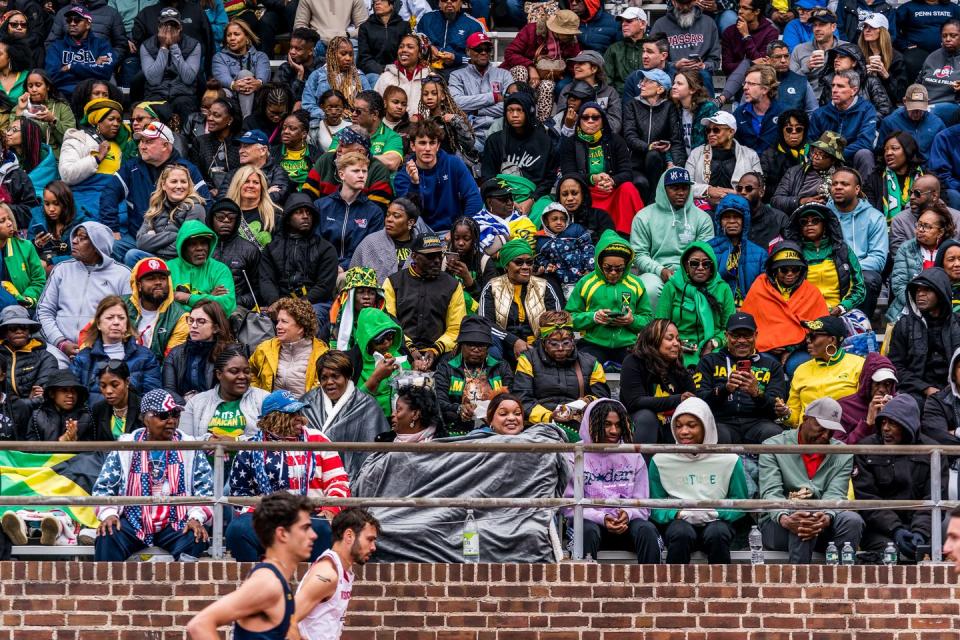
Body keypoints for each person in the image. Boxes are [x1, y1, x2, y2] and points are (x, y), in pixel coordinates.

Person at [225, 389, 349, 562]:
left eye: (299, 412)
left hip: (312, 515)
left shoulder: (318, 439)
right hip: (266, 517)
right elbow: (240, 495)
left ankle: (310, 583)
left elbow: (338, 482)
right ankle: (259, 581)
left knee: (323, 530)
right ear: (273, 419)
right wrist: (262, 513)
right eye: (292, 413)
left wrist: (330, 510)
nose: (300, 418)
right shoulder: (249, 448)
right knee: (237, 530)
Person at [92, 388, 212, 561]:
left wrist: (196, 518)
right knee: (107, 535)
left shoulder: (190, 447)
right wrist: (109, 514)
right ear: (145, 419)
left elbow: (205, 490)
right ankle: (109, 588)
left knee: (195, 537)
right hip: (134, 520)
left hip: (176, 521)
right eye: (163, 416)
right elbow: (104, 487)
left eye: (175, 414)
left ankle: (176, 586)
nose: (171, 421)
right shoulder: (126, 447)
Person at [186, 493, 317, 639]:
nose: (313, 535)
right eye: (305, 528)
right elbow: (200, 624)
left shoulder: (278, 580)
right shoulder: (267, 583)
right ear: (282, 534)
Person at [758, 396, 864, 564]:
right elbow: (771, 493)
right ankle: (799, 586)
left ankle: (841, 584)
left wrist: (827, 516)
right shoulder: (773, 446)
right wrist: (785, 518)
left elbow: (836, 494)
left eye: (831, 431)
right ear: (805, 419)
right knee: (803, 518)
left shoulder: (843, 452)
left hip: (821, 523)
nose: (825, 435)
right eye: (821, 428)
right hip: (778, 524)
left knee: (852, 521)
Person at [649, 396, 748, 563]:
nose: (683, 432)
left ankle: (720, 588)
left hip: (717, 521)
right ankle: (676, 588)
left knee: (717, 533)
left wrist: (715, 513)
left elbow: (740, 503)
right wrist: (679, 513)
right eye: (678, 426)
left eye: (691, 425)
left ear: (706, 427)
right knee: (681, 533)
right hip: (678, 522)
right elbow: (653, 505)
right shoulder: (660, 460)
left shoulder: (730, 460)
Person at [564, 398, 661, 564]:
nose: (614, 430)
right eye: (606, 424)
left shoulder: (633, 455)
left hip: (626, 523)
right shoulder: (575, 455)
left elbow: (643, 505)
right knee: (586, 531)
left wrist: (628, 514)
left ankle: (651, 588)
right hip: (590, 523)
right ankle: (584, 588)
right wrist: (602, 517)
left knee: (647, 530)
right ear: (591, 424)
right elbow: (569, 506)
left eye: (618, 425)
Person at [100, 121, 211, 263]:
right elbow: (109, 194)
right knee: (111, 246)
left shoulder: (186, 170)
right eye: (141, 141)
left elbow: (206, 204)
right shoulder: (132, 167)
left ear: (165, 145)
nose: (141, 146)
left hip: (174, 249)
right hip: (138, 238)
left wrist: (162, 243)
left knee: (133, 256)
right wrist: (112, 229)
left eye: (148, 142)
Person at [853, 393, 945, 563]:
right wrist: (895, 529)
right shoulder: (866, 448)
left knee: (931, 556)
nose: (885, 428)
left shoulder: (933, 451)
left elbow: (935, 498)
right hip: (880, 529)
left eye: (893, 423)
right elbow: (867, 499)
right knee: (889, 553)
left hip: (922, 527)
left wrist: (920, 532)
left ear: (908, 426)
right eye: (883, 422)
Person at [37, 222, 131, 366]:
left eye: (82, 238)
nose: (74, 241)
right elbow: (43, 311)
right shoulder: (62, 270)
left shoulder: (123, 275)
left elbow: (130, 318)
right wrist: (60, 342)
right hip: (58, 350)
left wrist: (96, 346)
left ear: (97, 245)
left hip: (102, 351)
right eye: (75, 236)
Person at [695, 311, 788, 445]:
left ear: (756, 335)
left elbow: (776, 407)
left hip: (759, 423)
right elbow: (699, 400)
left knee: (774, 434)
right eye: (735, 335)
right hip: (721, 422)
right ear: (726, 336)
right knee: (717, 434)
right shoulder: (709, 361)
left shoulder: (772, 365)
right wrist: (724, 390)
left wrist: (757, 393)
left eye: (747, 335)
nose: (742, 341)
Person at [630, 168, 715, 309]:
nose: (681, 192)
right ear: (663, 189)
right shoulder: (644, 216)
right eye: (674, 188)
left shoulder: (702, 218)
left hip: (693, 271)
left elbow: (705, 253)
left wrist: (686, 273)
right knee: (648, 288)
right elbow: (638, 254)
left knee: (714, 287)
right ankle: (655, 330)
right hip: (655, 272)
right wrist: (660, 270)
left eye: (685, 187)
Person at [566, 229, 653, 366]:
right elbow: (569, 317)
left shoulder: (636, 284)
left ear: (627, 265)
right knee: (585, 367)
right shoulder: (586, 283)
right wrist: (593, 317)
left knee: (641, 366)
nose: (613, 273)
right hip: (593, 343)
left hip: (628, 344)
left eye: (619, 269)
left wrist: (632, 320)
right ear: (599, 264)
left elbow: (648, 320)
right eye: (608, 268)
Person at [292, 508, 380, 640]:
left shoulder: (341, 570)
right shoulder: (327, 574)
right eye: (369, 539)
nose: (373, 547)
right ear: (349, 536)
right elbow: (287, 620)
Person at [741, 242, 829, 373]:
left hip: (801, 349)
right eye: (784, 269)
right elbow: (746, 325)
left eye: (795, 269)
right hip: (764, 349)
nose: (790, 274)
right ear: (774, 270)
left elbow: (822, 329)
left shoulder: (812, 292)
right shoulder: (759, 288)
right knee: (763, 369)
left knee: (800, 368)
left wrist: (791, 349)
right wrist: (769, 346)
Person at [384, 233, 466, 371]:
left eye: (439, 255)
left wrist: (435, 350)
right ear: (414, 256)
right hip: (400, 348)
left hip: (441, 352)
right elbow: (389, 323)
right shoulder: (393, 282)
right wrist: (410, 348)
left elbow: (455, 328)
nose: (437, 261)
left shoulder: (452, 285)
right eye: (429, 256)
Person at [301, 351, 389, 478]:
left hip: (352, 479)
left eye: (335, 376)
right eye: (324, 378)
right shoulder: (307, 402)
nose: (329, 382)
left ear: (347, 376)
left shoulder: (367, 405)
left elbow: (375, 456)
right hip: (312, 476)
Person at [558, 101, 641, 234]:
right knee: (573, 190)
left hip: (611, 190)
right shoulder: (570, 143)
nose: (590, 121)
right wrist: (593, 178)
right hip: (586, 191)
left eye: (595, 117)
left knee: (628, 187)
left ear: (602, 120)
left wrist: (612, 181)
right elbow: (569, 175)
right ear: (579, 121)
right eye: (585, 117)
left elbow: (627, 172)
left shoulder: (616, 140)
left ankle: (628, 233)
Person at [513, 310, 609, 425]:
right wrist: (550, 417)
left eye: (566, 343)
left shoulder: (591, 363)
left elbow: (602, 396)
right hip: (540, 424)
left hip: (578, 421)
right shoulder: (528, 360)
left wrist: (586, 401)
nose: (560, 348)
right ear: (543, 342)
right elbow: (522, 399)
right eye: (553, 344)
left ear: (573, 341)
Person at [69, 295, 162, 406]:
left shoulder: (145, 357)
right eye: (110, 318)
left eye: (121, 318)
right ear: (98, 324)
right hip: (92, 421)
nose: (116, 322)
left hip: (134, 421)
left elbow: (151, 399)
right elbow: (73, 398)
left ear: (127, 324)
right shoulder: (83, 358)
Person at [393, 120, 482, 233]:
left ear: (438, 145)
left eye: (432, 143)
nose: (428, 148)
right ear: (413, 145)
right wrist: (414, 184)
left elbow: (474, 198)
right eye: (422, 143)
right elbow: (409, 214)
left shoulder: (453, 164)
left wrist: (460, 229)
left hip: (453, 230)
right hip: (420, 233)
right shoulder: (404, 175)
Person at [889, 268, 960, 407]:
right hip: (914, 393)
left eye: (926, 290)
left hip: (954, 390)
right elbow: (896, 366)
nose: (920, 294)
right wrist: (925, 388)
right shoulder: (904, 325)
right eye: (917, 290)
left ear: (940, 293)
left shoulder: (958, 324)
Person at [478, 239, 561, 357]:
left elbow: (556, 322)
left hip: (539, 345)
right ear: (506, 265)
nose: (526, 267)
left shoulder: (544, 286)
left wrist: (534, 347)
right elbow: (485, 323)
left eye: (529, 262)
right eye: (519, 262)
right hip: (505, 344)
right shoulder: (492, 287)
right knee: (490, 345)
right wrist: (514, 341)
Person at [781, 203, 866, 317]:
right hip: (803, 313)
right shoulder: (793, 254)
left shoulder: (843, 250)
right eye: (804, 222)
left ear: (825, 225)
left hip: (840, 313)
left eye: (815, 220)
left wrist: (842, 307)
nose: (809, 224)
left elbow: (859, 287)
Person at [620, 319, 696, 444]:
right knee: (647, 417)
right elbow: (635, 401)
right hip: (640, 423)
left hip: (672, 424)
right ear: (653, 340)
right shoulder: (633, 362)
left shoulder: (678, 368)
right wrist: (678, 399)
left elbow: (693, 398)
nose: (676, 343)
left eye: (677, 339)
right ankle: (642, 463)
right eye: (669, 338)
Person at [258, 192, 337, 313]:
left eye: (309, 212)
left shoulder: (326, 248)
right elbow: (266, 280)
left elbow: (324, 286)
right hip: (279, 303)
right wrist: (274, 301)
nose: (305, 216)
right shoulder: (271, 249)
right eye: (299, 212)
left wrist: (298, 305)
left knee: (312, 315)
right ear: (288, 219)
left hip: (314, 304)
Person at [501, 9, 581, 125]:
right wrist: (531, 67)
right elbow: (510, 53)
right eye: (566, 32)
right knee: (521, 70)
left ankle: (540, 125)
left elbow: (575, 62)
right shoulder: (532, 30)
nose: (569, 35)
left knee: (548, 86)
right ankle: (519, 107)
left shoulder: (570, 39)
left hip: (546, 78)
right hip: (523, 74)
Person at [826, 167, 888, 318]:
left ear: (857, 189)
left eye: (844, 184)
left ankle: (858, 324)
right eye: (835, 184)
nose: (838, 187)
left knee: (869, 279)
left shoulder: (874, 217)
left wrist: (848, 269)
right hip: (827, 270)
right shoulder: (822, 215)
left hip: (858, 273)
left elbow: (878, 259)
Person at [434, 316, 513, 434]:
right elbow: (438, 400)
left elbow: (513, 397)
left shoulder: (501, 367)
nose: (476, 349)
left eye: (481, 345)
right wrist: (458, 409)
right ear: (461, 345)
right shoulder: (447, 367)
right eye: (471, 344)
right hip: (455, 430)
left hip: (496, 430)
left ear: (488, 347)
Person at [785, 315, 865, 427]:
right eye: (808, 335)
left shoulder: (859, 365)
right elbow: (794, 420)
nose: (808, 341)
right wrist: (786, 414)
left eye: (813, 336)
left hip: (843, 433)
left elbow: (861, 410)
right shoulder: (801, 369)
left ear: (832, 340)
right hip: (808, 434)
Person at [622, 68, 685, 202]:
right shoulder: (632, 105)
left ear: (660, 89)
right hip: (635, 163)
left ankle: (654, 203)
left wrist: (676, 165)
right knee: (641, 183)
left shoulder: (669, 107)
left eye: (648, 81)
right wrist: (648, 146)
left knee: (653, 155)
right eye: (642, 81)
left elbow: (676, 140)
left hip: (658, 163)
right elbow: (629, 136)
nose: (642, 84)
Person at [481, 92, 557, 202]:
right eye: (510, 110)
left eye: (519, 110)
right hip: (501, 196)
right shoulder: (494, 141)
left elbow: (549, 179)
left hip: (535, 197)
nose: (515, 115)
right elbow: (488, 176)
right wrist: (505, 199)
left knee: (548, 212)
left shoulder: (544, 142)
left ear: (529, 111)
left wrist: (532, 200)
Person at [314, 152, 384, 269]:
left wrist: (344, 267)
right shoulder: (321, 206)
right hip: (323, 268)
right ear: (342, 175)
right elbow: (315, 244)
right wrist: (331, 266)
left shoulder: (374, 212)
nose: (362, 175)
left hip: (357, 270)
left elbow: (371, 250)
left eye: (364, 171)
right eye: (356, 171)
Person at [127, 164, 207, 266]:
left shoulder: (195, 208)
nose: (179, 186)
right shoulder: (156, 208)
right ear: (164, 185)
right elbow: (141, 242)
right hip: (157, 260)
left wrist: (154, 241)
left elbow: (186, 246)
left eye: (183, 182)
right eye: (174, 181)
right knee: (132, 255)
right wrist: (174, 235)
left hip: (180, 262)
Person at [888, 202, 956, 321]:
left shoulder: (952, 250)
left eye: (927, 226)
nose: (920, 230)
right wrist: (920, 305)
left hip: (944, 309)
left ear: (940, 232)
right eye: (919, 225)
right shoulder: (906, 249)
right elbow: (899, 286)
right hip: (909, 309)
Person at [249, 298, 329, 395]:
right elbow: (250, 372)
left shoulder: (322, 354)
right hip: (272, 409)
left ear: (301, 327)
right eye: (278, 321)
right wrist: (259, 396)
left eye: (284, 321)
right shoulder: (265, 349)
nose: (278, 326)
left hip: (307, 408)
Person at [449, 31, 515, 146]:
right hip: (470, 133)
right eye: (478, 49)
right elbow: (456, 104)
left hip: (500, 132)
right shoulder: (456, 75)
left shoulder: (504, 74)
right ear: (468, 51)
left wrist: (475, 110)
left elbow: (510, 106)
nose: (484, 53)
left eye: (487, 49)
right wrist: (493, 97)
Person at [808, 70, 878, 178]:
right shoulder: (820, 113)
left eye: (840, 86)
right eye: (833, 86)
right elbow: (811, 141)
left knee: (865, 154)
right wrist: (824, 156)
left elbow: (865, 141)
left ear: (853, 90)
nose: (834, 90)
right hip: (825, 160)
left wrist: (837, 155)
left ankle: (866, 193)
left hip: (851, 158)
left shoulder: (867, 110)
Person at [686, 111, 763, 206]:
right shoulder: (696, 153)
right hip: (703, 208)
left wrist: (735, 193)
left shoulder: (750, 155)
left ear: (731, 132)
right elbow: (686, 185)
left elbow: (760, 188)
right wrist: (708, 190)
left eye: (716, 130)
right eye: (708, 130)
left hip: (738, 208)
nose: (711, 134)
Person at [122, 257, 190, 363]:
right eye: (151, 278)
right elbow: (90, 336)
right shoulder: (120, 305)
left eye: (162, 278)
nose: (158, 282)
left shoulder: (179, 317)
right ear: (139, 285)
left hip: (154, 375)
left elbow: (171, 362)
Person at [139, 8, 202, 121]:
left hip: (184, 93)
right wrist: (163, 48)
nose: (169, 29)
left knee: (184, 104)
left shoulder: (193, 45)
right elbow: (153, 80)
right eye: (165, 25)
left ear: (180, 28)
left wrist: (173, 46)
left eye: (173, 25)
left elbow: (188, 78)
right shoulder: (146, 45)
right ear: (158, 27)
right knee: (152, 107)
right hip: (156, 92)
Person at [162, 300, 234, 399]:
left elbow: (231, 392)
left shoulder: (230, 355)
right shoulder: (175, 354)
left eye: (201, 321)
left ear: (216, 328)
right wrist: (187, 410)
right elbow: (169, 390)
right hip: (182, 410)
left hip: (218, 410)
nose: (194, 326)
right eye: (191, 320)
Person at [44, 5, 117, 97]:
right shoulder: (56, 46)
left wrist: (71, 67)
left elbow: (106, 72)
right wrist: (93, 65)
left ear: (88, 25)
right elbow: (52, 76)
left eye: (77, 20)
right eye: (69, 20)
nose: (72, 23)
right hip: (65, 94)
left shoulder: (102, 45)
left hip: (93, 94)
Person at [708, 194, 767, 306]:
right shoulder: (708, 250)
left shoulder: (760, 254)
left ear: (745, 220)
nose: (732, 221)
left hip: (750, 309)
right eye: (726, 217)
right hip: (716, 309)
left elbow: (764, 290)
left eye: (737, 217)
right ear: (719, 220)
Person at [650, 0, 722, 93]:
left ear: (695, 1)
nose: (685, 7)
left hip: (699, 74)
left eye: (688, 3)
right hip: (672, 73)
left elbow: (715, 60)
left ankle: (708, 107)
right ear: (673, 2)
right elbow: (653, 59)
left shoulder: (709, 23)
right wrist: (675, 65)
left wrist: (703, 65)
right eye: (681, 3)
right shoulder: (660, 25)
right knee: (668, 76)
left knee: (704, 75)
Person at [167, 220, 236, 316]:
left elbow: (227, 306)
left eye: (203, 243)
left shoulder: (220, 269)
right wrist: (210, 298)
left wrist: (186, 298)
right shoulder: (168, 268)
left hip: (209, 327)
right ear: (183, 247)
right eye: (193, 244)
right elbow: (164, 305)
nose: (200, 248)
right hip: (176, 326)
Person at [58, 97, 128, 188]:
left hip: (114, 197)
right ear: (97, 120)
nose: (116, 124)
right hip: (83, 196)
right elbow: (67, 175)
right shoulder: (78, 139)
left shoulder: (121, 146)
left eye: (119, 120)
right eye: (111, 119)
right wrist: (97, 158)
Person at [771, 130, 846, 215]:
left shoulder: (843, 177)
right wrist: (801, 201)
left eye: (821, 154)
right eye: (814, 152)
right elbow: (776, 200)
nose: (815, 157)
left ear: (833, 160)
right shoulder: (794, 172)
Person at [302, 36, 374, 124]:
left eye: (351, 54)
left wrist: (355, 113)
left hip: (353, 123)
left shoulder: (359, 76)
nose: (348, 58)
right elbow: (307, 105)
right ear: (332, 54)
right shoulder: (317, 75)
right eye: (343, 54)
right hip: (324, 122)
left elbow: (369, 103)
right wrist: (332, 113)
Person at [349, 198, 419, 286]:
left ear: (410, 222)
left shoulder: (421, 245)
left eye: (396, 216)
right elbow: (353, 276)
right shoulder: (371, 242)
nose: (389, 219)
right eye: (387, 215)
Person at [205, 199, 260, 311]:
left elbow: (258, 289)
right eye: (220, 217)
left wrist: (235, 301)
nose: (226, 221)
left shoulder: (250, 250)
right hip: (204, 305)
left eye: (231, 218)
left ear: (237, 221)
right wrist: (208, 297)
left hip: (237, 308)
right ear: (211, 219)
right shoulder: (201, 247)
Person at [354, 307, 410, 416]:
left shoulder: (399, 358)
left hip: (399, 421)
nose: (387, 343)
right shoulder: (354, 363)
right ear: (367, 340)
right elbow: (352, 405)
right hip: (369, 421)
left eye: (390, 336)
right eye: (380, 339)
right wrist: (377, 377)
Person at [814, 42, 893, 118]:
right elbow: (823, 112)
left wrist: (860, 122)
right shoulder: (829, 83)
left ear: (854, 62)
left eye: (842, 56)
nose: (836, 60)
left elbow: (884, 110)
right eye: (836, 56)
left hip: (865, 129)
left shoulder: (870, 82)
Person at [864, 131, 927, 224]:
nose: (888, 153)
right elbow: (869, 212)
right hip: (884, 231)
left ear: (907, 150)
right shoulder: (875, 178)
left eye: (894, 148)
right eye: (885, 150)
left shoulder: (926, 177)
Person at [553, 50, 622, 135]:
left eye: (581, 63)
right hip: (575, 140)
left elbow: (615, 125)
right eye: (575, 63)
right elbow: (560, 121)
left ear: (594, 69)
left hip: (603, 141)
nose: (576, 66)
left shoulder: (610, 92)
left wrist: (593, 128)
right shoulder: (567, 90)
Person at [211, 20, 269, 118]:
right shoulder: (219, 57)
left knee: (245, 75)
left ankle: (246, 120)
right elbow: (221, 76)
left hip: (256, 96)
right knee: (226, 90)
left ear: (247, 37)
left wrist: (258, 83)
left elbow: (263, 76)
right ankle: (245, 121)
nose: (232, 38)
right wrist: (234, 85)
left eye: (236, 34)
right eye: (229, 35)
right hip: (231, 95)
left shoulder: (260, 56)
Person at [836, 352, 898, 444]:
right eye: (877, 383)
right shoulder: (843, 408)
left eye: (887, 384)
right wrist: (867, 424)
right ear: (867, 382)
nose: (882, 389)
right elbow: (838, 451)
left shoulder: (899, 405)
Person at [896, 1, 960, 88]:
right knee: (911, 62)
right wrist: (904, 44)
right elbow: (894, 29)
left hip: (949, 50)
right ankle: (915, 94)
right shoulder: (907, 8)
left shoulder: (953, 8)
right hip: (918, 50)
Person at [533, 203, 594, 293]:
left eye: (563, 219)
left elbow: (587, 248)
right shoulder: (542, 241)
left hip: (584, 277)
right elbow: (540, 258)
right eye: (554, 219)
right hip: (562, 283)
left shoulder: (575, 230)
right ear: (546, 222)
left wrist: (589, 269)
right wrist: (547, 265)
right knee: (571, 304)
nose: (559, 222)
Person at [876, 85, 946, 164]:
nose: (916, 113)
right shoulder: (890, 122)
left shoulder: (937, 123)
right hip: (900, 168)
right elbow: (880, 152)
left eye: (920, 109)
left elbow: (944, 152)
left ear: (927, 103)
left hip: (928, 169)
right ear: (904, 101)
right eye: (912, 109)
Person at [0, 306, 56, 401]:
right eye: (13, 328)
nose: (19, 331)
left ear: (29, 330)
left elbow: (40, 394)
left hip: (34, 413)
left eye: (24, 327)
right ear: (4, 332)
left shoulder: (45, 358)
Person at [414, 0, 483, 75]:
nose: (449, 1)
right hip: (428, 68)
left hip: (460, 71)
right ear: (439, 3)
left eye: (454, 0)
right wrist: (428, 48)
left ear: (461, 2)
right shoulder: (427, 19)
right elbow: (415, 43)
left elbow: (479, 58)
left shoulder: (473, 25)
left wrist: (456, 58)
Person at [14, 70, 75, 155]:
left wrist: (53, 120)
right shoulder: (19, 107)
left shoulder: (62, 107)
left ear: (48, 87)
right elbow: (12, 138)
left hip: (56, 159)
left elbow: (71, 139)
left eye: (38, 85)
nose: (34, 89)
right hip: (28, 159)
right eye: (30, 86)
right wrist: (20, 111)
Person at [189, 98, 241, 196]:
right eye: (209, 114)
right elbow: (196, 173)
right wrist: (208, 189)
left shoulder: (240, 143)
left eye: (216, 115)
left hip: (236, 193)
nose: (209, 118)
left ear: (230, 119)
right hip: (206, 195)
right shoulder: (200, 142)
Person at [23, 370, 92, 441]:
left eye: (74, 390)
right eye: (64, 390)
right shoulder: (37, 417)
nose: (71, 395)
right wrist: (61, 442)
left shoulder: (85, 416)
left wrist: (75, 442)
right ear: (52, 394)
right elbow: (31, 450)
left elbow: (92, 450)